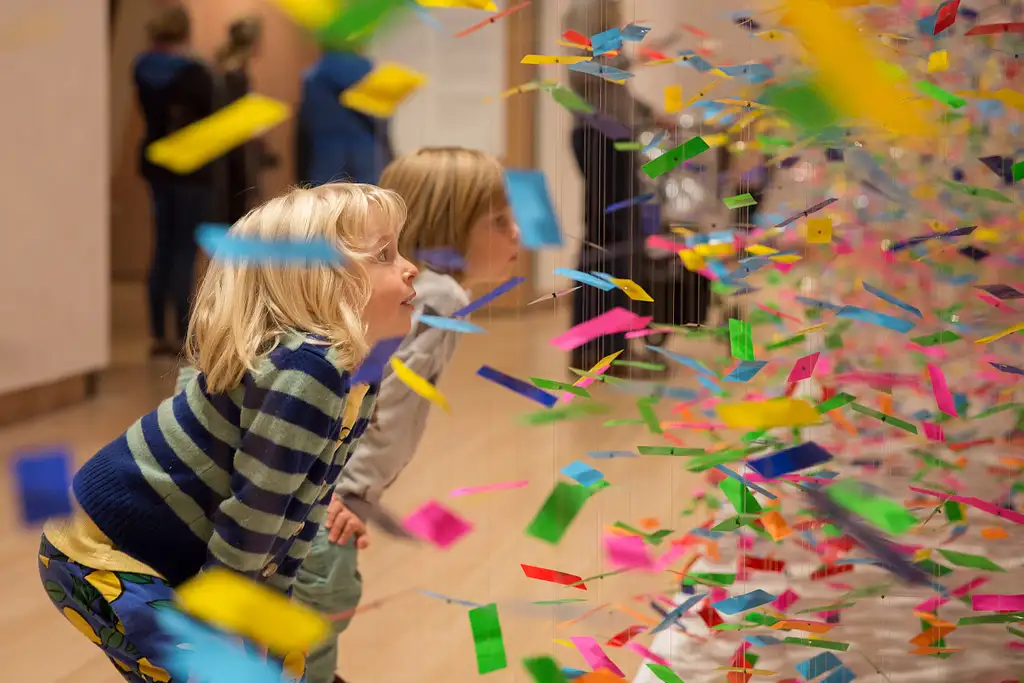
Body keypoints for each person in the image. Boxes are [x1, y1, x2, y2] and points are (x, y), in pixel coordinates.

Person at [37, 183, 420, 683]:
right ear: (320, 283)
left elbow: (300, 511)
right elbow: (254, 514)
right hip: (100, 551)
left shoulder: (358, 378)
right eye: (384, 255)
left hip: (172, 548)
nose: (410, 266)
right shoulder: (308, 372)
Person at [291, 147, 521, 683]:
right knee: (327, 587)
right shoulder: (436, 303)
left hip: (312, 471)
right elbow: (384, 401)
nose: (515, 234)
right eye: (497, 221)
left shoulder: (419, 295)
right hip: (329, 490)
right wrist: (352, 490)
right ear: (450, 226)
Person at [562, 0, 678, 375]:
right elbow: (585, 74)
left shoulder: (602, 11)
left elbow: (614, 95)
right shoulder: (588, 12)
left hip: (612, 135)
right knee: (608, 242)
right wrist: (635, 60)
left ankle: (610, 346)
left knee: (619, 240)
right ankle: (597, 349)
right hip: (601, 137)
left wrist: (650, 115)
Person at [133, 5, 216, 357]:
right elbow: (212, 118)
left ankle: (157, 331)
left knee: (162, 246)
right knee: (184, 248)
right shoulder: (195, 72)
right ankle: (184, 331)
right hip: (191, 168)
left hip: (157, 165)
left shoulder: (141, 68)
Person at [296, 46, 395, 187]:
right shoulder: (372, 77)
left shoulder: (313, 78)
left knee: (328, 204)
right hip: (368, 157)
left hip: (326, 160)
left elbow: (305, 128)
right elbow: (381, 123)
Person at [213, 14, 272, 224]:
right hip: (234, 158)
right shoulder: (235, 75)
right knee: (234, 215)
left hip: (229, 156)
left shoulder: (225, 70)